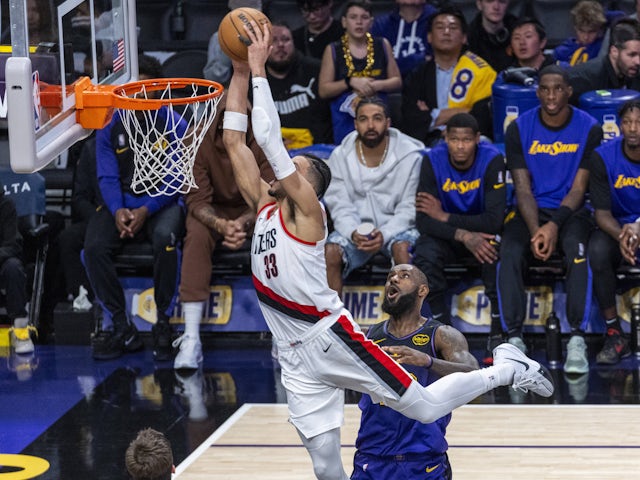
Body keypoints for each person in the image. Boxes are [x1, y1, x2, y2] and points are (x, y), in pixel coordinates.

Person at [222, 20, 553, 480]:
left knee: (420, 407)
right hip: (292, 349)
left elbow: (271, 142)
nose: (279, 169)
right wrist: (239, 73)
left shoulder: (307, 213)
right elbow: (234, 142)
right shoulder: (264, 205)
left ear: (307, 185)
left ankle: (505, 368)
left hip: (326, 334)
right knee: (323, 465)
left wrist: (259, 68)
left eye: (294, 168)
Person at [500, 65, 602, 374]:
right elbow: (522, 188)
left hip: (571, 212)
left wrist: (553, 226)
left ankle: (577, 338)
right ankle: (513, 339)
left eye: (558, 88)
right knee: (509, 251)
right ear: (537, 91)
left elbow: (579, 188)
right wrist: (536, 232)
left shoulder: (589, 127)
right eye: (545, 89)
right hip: (531, 211)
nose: (551, 95)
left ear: (569, 92)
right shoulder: (518, 128)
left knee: (577, 250)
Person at [84, 55, 185, 361]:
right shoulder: (110, 123)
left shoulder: (174, 123)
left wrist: (147, 209)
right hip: (123, 205)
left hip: (161, 201)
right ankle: (120, 326)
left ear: (157, 88)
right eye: (133, 86)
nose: (139, 92)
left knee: (166, 239)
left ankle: (164, 324)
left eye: (146, 85)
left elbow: (177, 178)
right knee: (93, 248)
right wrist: (117, 210)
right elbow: (106, 175)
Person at [351, 264, 479, 480]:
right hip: (372, 458)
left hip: (424, 461)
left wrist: (428, 361)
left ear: (422, 291)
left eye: (404, 275)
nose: (393, 279)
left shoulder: (442, 335)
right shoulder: (367, 336)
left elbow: (475, 376)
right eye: (390, 275)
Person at [174, 95, 274, 370]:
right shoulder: (196, 139)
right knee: (195, 233)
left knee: (279, 231)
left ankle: (284, 333)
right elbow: (196, 201)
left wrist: (243, 221)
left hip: (255, 207)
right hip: (214, 210)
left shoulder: (265, 139)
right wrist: (222, 225)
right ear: (218, 119)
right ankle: (191, 337)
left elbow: (272, 194)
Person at [413, 113, 505, 361]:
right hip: (451, 238)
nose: (461, 146)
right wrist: (463, 234)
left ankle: (498, 332)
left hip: (483, 235)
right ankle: (444, 333)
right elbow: (423, 221)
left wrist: (444, 216)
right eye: (454, 139)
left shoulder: (492, 159)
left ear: (477, 139)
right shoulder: (432, 160)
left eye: (466, 140)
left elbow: (494, 219)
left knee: (493, 251)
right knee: (425, 254)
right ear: (446, 139)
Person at [323, 96, 424, 298]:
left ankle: (407, 323)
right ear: (355, 124)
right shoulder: (339, 157)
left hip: (397, 229)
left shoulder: (411, 156)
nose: (370, 125)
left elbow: (408, 208)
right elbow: (339, 205)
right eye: (363, 119)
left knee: (403, 249)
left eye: (377, 118)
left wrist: (384, 234)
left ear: (387, 122)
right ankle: (331, 324)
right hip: (355, 231)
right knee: (331, 251)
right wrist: (352, 232)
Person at [586, 99, 640, 365]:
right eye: (627, 122)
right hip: (616, 228)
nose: (632, 128)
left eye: (639, 123)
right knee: (596, 250)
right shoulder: (603, 156)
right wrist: (624, 236)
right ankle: (614, 332)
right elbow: (601, 213)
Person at [401, 6, 496, 147]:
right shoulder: (417, 74)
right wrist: (463, 110)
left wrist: (435, 115)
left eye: (453, 27)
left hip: (470, 143)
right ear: (429, 37)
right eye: (440, 27)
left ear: (464, 38)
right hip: (428, 144)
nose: (446, 32)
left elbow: (483, 117)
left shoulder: (480, 71)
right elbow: (410, 118)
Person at [318, 0, 402, 144]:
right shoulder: (332, 49)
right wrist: (350, 82)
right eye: (353, 17)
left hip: (377, 115)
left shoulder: (382, 44)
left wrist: (375, 85)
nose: (359, 22)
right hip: (344, 119)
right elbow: (324, 90)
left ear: (371, 22)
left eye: (364, 17)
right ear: (344, 22)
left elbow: (397, 81)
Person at [266, 19, 333, 148]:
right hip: (272, 152)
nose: (280, 45)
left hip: (317, 150)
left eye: (286, 39)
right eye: (274, 40)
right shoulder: (255, 79)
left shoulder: (316, 70)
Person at [57, 137, 101, 303]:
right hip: (101, 217)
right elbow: (80, 197)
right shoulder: (91, 148)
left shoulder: (141, 143)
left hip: (139, 216)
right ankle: (82, 299)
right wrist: (99, 220)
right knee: (68, 238)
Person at [568, 18, 640, 106]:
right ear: (614, 52)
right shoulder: (584, 81)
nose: (638, 62)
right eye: (632, 55)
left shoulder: (633, 73)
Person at [0, 182, 32, 355]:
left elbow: (13, 245)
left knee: (14, 268)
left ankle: (20, 332)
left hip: (2, 262)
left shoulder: (6, 205)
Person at [369, 0, 437, 79]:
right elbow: (376, 67)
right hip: (387, 88)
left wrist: (393, 66)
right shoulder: (380, 25)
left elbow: (439, 63)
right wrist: (420, 59)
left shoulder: (439, 23)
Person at [203, 0, 262, 85]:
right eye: (243, 16)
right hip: (231, 90)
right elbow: (212, 79)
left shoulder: (269, 36)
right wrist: (229, 49)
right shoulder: (219, 37)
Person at [553, 0, 609, 66]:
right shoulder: (561, 51)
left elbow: (620, 16)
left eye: (591, 32)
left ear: (599, 29)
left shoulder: (603, 48)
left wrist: (602, 15)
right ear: (575, 28)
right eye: (581, 31)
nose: (586, 37)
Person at [466, 0, 516, 73]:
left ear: (508, 4)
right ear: (479, 4)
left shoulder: (518, 30)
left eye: (502, 1)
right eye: (489, 1)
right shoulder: (469, 37)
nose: (496, 7)